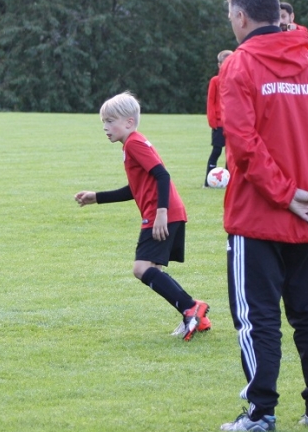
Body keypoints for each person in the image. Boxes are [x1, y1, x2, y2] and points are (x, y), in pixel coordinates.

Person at [218, 0, 308, 432]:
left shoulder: (239, 66)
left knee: (256, 318)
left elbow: (243, 145)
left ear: (242, 17)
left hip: (258, 217)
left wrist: (287, 194)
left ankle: (260, 412)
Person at [75, 92, 213, 341]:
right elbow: (135, 189)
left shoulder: (133, 143)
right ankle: (194, 315)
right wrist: (97, 197)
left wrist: (161, 213)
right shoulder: (132, 143)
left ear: (129, 122)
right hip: (168, 211)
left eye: (110, 121)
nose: (105, 127)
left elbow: (162, 175)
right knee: (153, 270)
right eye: (104, 122)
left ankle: (191, 308)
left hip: (161, 213)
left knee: (141, 269)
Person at [205, 49, 234, 185]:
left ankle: (229, 181)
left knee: (231, 154)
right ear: (219, 65)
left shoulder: (236, 80)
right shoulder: (215, 81)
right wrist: (213, 121)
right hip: (219, 124)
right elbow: (211, 102)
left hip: (232, 124)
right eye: (225, 62)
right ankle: (208, 181)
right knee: (217, 150)